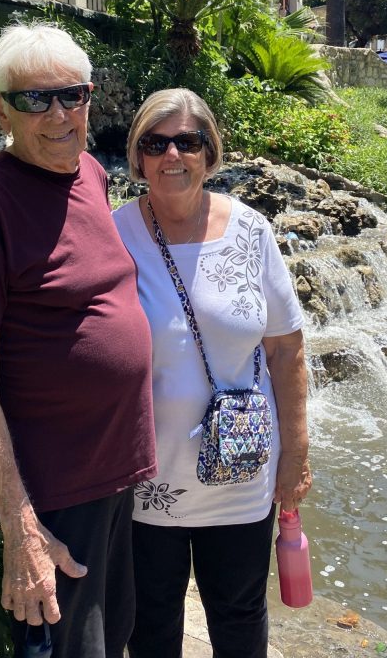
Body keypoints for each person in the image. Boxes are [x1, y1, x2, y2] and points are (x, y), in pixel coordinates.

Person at [0, 22, 156, 658]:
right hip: (58, 495)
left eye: (73, 95)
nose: (59, 114)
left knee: (114, 641)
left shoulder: (89, 171)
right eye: (36, 99)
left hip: (120, 475)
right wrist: (20, 525)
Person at [113, 88, 311, 658]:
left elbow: (286, 350)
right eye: (156, 143)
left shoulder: (251, 232)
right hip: (146, 475)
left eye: (187, 141)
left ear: (210, 152)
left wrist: (295, 453)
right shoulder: (112, 233)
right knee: (150, 622)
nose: (172, 155)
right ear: (138, 156)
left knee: (239, 612)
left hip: (241, 469)